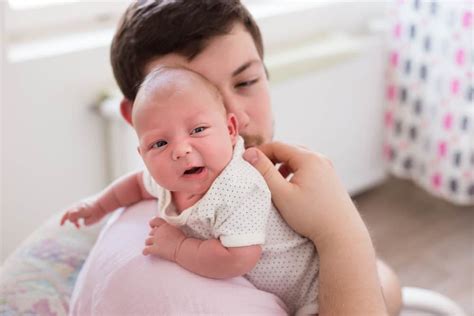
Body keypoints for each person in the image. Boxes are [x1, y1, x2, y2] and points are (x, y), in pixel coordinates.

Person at [71, 1, 402, 315]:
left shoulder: (208, 179)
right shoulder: (173, 286)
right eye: (191, 101)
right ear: (136, 117)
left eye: (246, 82)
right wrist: (340, 230)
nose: (237, 119)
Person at [62, 66, 320, 315]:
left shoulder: (237, 187)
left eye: (198, 130)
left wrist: (178, 247)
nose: (181, 150)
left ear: (230, 130)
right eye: (160, 143)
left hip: (309, 291)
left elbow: (239, 257)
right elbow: (135, 185)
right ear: (143, 155)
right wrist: (98, 206)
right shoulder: (168, 182)